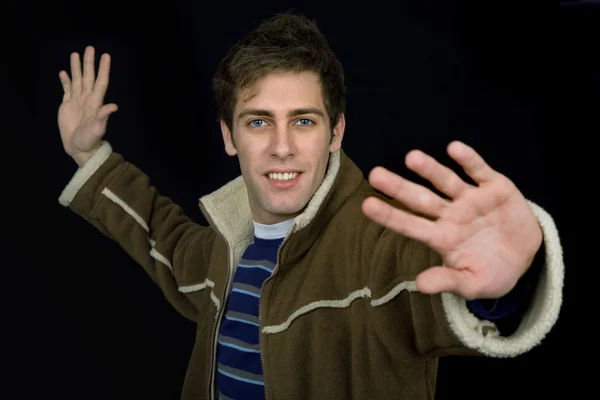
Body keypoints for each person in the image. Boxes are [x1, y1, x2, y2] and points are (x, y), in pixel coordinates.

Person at [56, 11, 564, 400]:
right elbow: (159, 239)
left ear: (335, 132)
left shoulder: (374, 244)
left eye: (303, 121)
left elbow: (425, 285)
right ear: (228, 136)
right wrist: (88, 154)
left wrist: (510, 282)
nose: (282, 146)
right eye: (258, 122)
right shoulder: (224, 250)